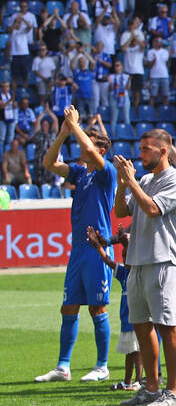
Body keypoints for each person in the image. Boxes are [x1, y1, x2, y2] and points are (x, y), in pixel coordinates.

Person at [34, 107, 117, 384]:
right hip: (78, 250)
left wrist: (76, 126)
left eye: (90, 143)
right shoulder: (80, 173)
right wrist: (62, 132)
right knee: (68, 307)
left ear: (102, 150)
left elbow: (91, 152)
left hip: (98, 249)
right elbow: (48, 164)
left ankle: (102, 365)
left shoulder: (108, 174)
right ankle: (63, 366)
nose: (83, 147)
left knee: (97, 308)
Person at [114, 129, 176, 406]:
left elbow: (152, 209)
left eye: (147, 149)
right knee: (142, 327)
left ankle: (173, 392)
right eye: (141, 148)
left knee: (167, 326)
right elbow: (122, 211)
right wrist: (124, 184)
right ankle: (151, 387)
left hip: (163, 262)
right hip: (138, 261)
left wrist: (131, 181)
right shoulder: (144, 179)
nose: (141, 153)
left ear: (163, 151)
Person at [87, 225, 143, 391]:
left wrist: (125, 243)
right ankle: (135, 382)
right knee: (135, 352)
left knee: (133, 353)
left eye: (128, 255)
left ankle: (131, 381)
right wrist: (98, 247)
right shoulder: (125, 272)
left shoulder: (139, 272)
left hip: (135, 320)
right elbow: (108, 261)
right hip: (127, 319)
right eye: (124, 255)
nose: (125, 258)